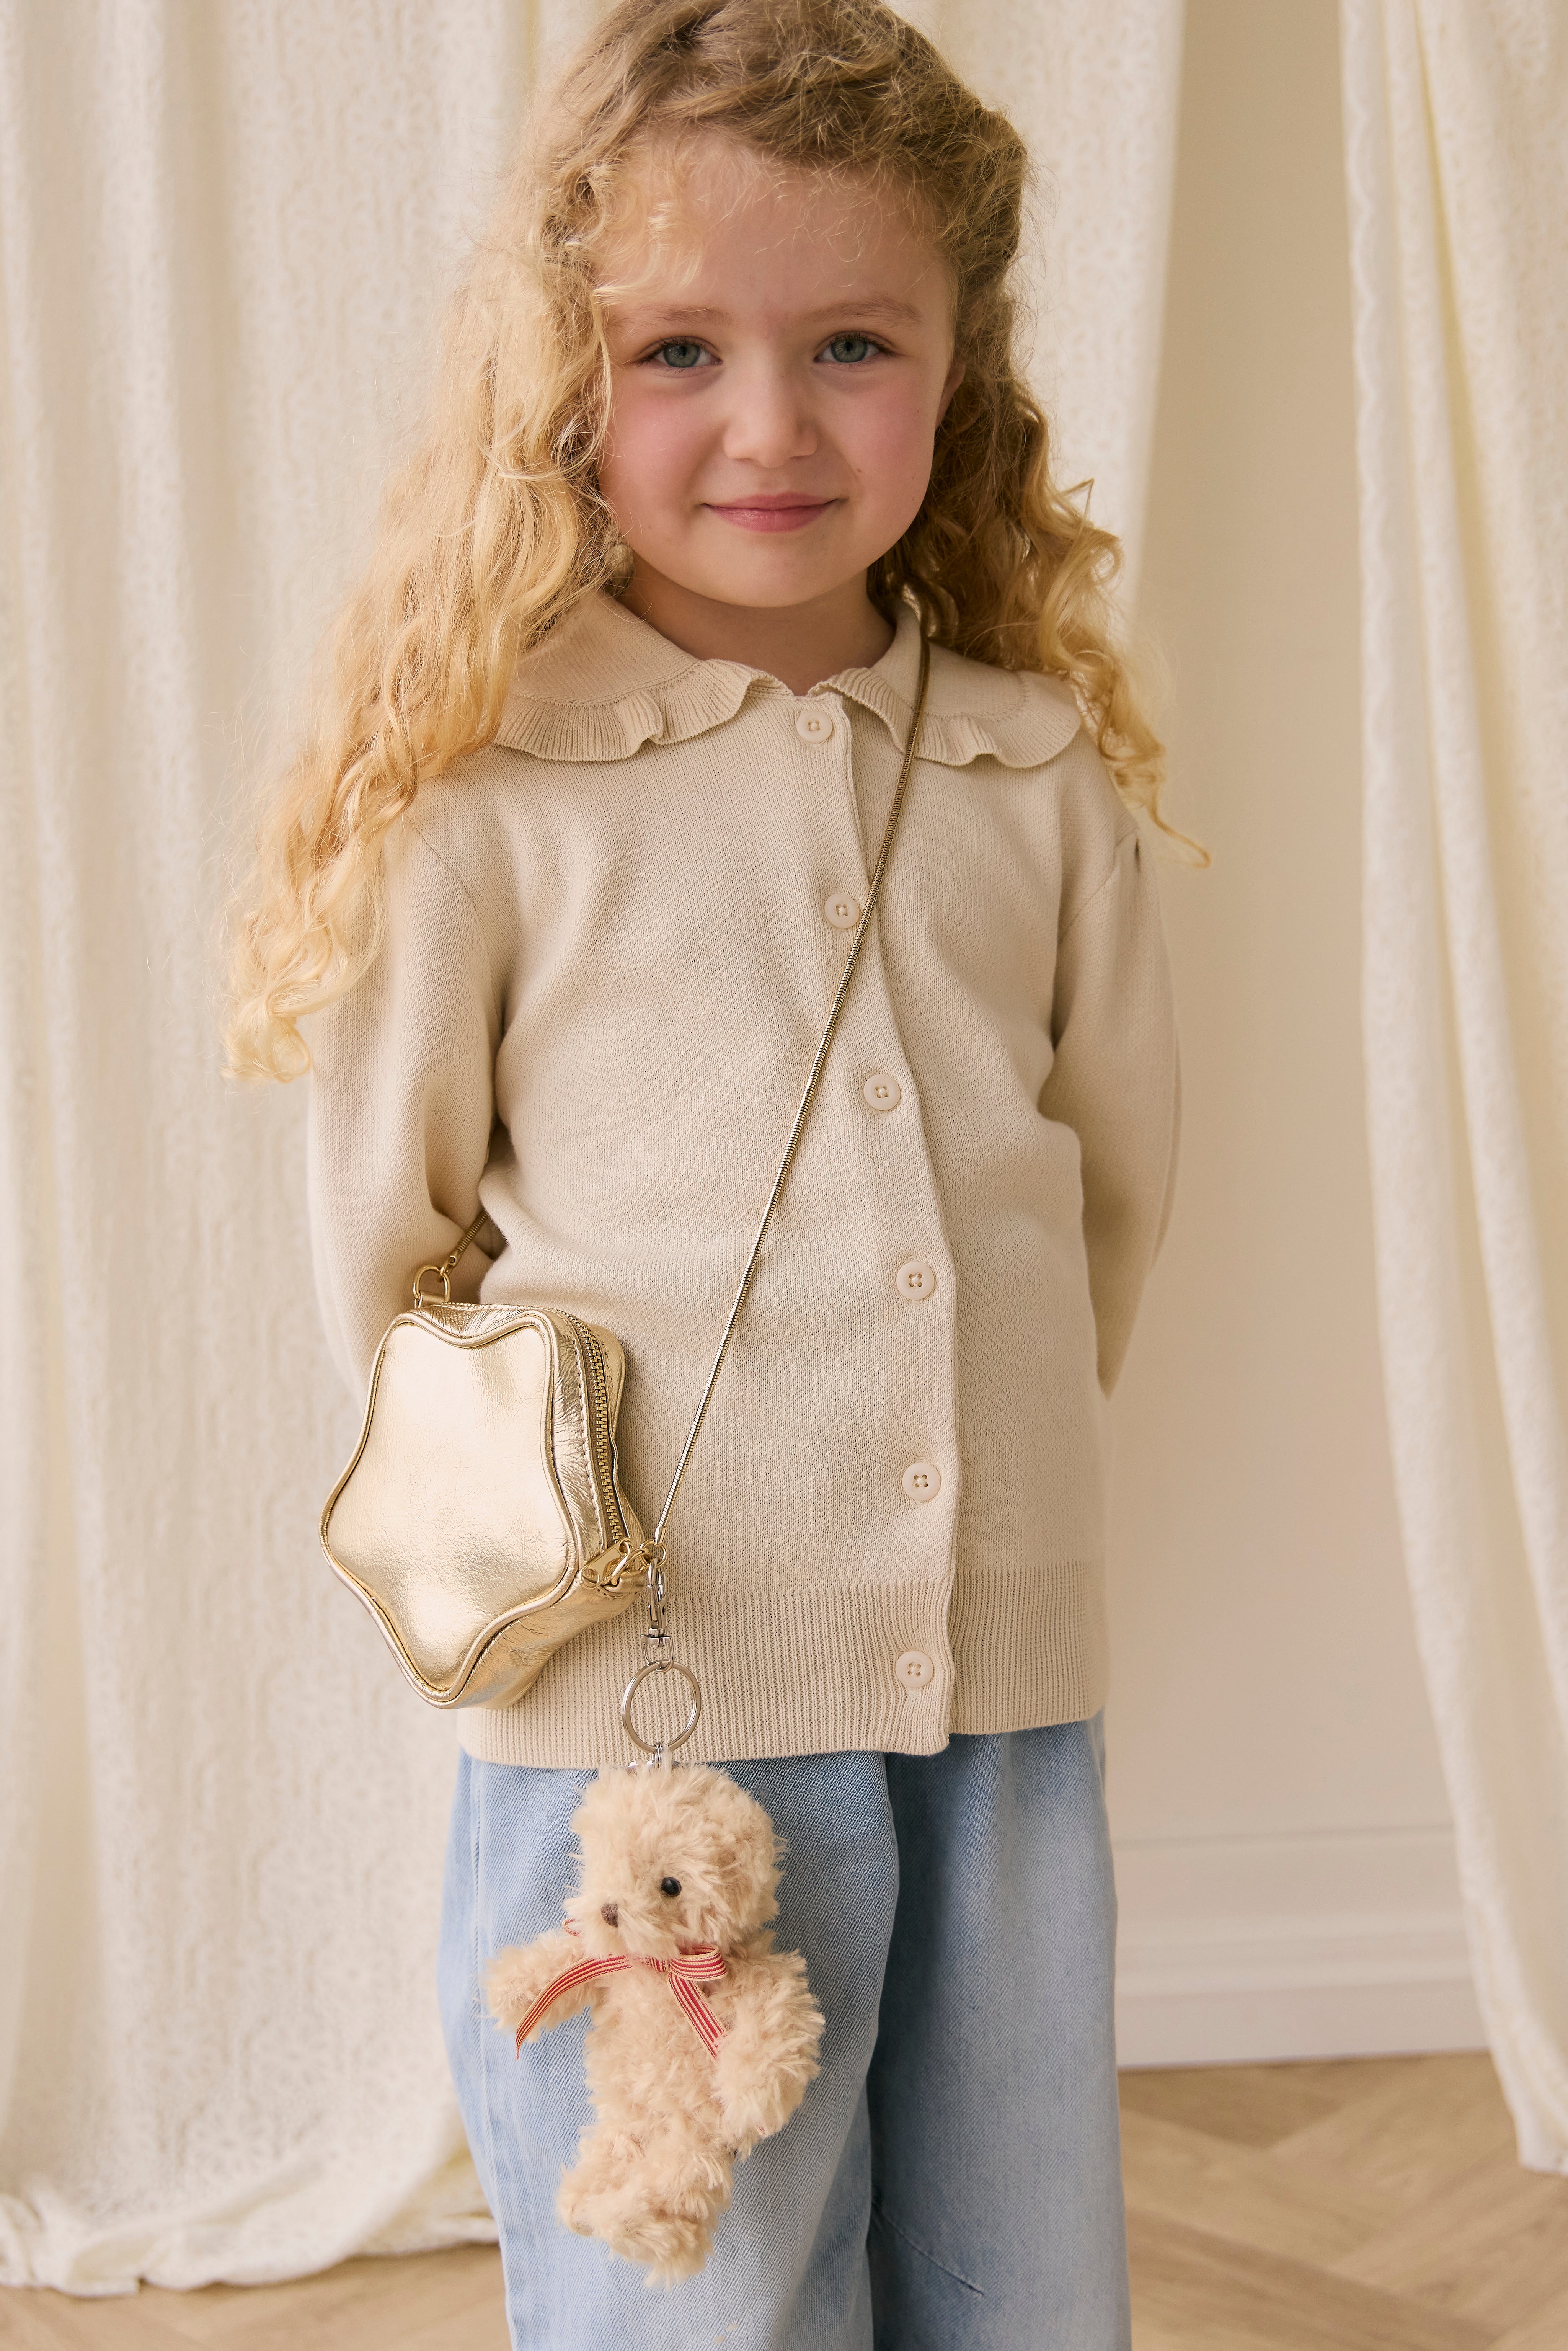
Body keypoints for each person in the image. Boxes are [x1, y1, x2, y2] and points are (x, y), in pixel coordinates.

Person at [229, 2, 1182, 2342]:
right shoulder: (493, 801)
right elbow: (390, 1258)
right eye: (680, 350)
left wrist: (962, 1477)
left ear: (957, 369)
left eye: (852, 342)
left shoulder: (1031, 773)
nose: (769, 425)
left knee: (1010, 2252)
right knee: (699, 2279)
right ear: (568, 376)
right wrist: (554, 1584)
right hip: (645, 1725)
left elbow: (1110, 1192)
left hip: (998, 1679)